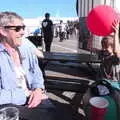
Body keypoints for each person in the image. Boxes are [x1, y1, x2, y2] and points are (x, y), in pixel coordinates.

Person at [0, 11, 57, 120]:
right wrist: (27, 94)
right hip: (10, 106)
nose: (22, 32)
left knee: (53, 114)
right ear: (3, 31)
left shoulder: (26, 48)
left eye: (23, 27)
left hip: (34, 96)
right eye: (17, 28)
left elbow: (37, 73)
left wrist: (38, 89)